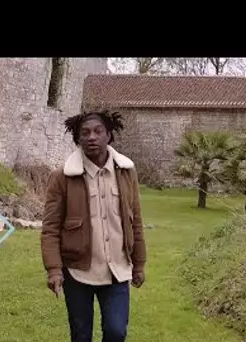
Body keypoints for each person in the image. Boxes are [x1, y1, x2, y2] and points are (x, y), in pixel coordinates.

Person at [40, 109, 147, 342]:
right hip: (78, 271)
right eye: (85, 132)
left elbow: (135, 220)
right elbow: (50, 227)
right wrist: (54, 269)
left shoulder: (126, 172)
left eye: (98, 131)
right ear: (78, 138)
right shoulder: (62, 177)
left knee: (116, 331)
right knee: (80, 335)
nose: (91, 137)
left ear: (109, 135)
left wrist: (138, 264)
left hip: (117, 271)